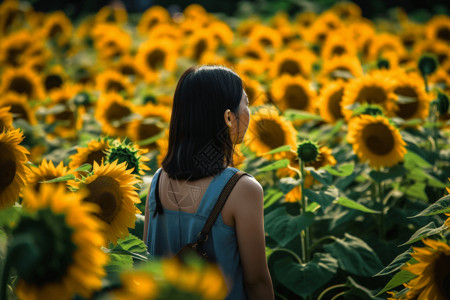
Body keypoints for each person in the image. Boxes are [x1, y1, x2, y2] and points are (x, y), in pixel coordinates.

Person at [143, 65, 274, 300]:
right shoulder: (242, 190)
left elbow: (146, 259)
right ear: (228, 117)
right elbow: (257, 282)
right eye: (246, 103)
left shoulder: (157, 180)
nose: (249, 111)